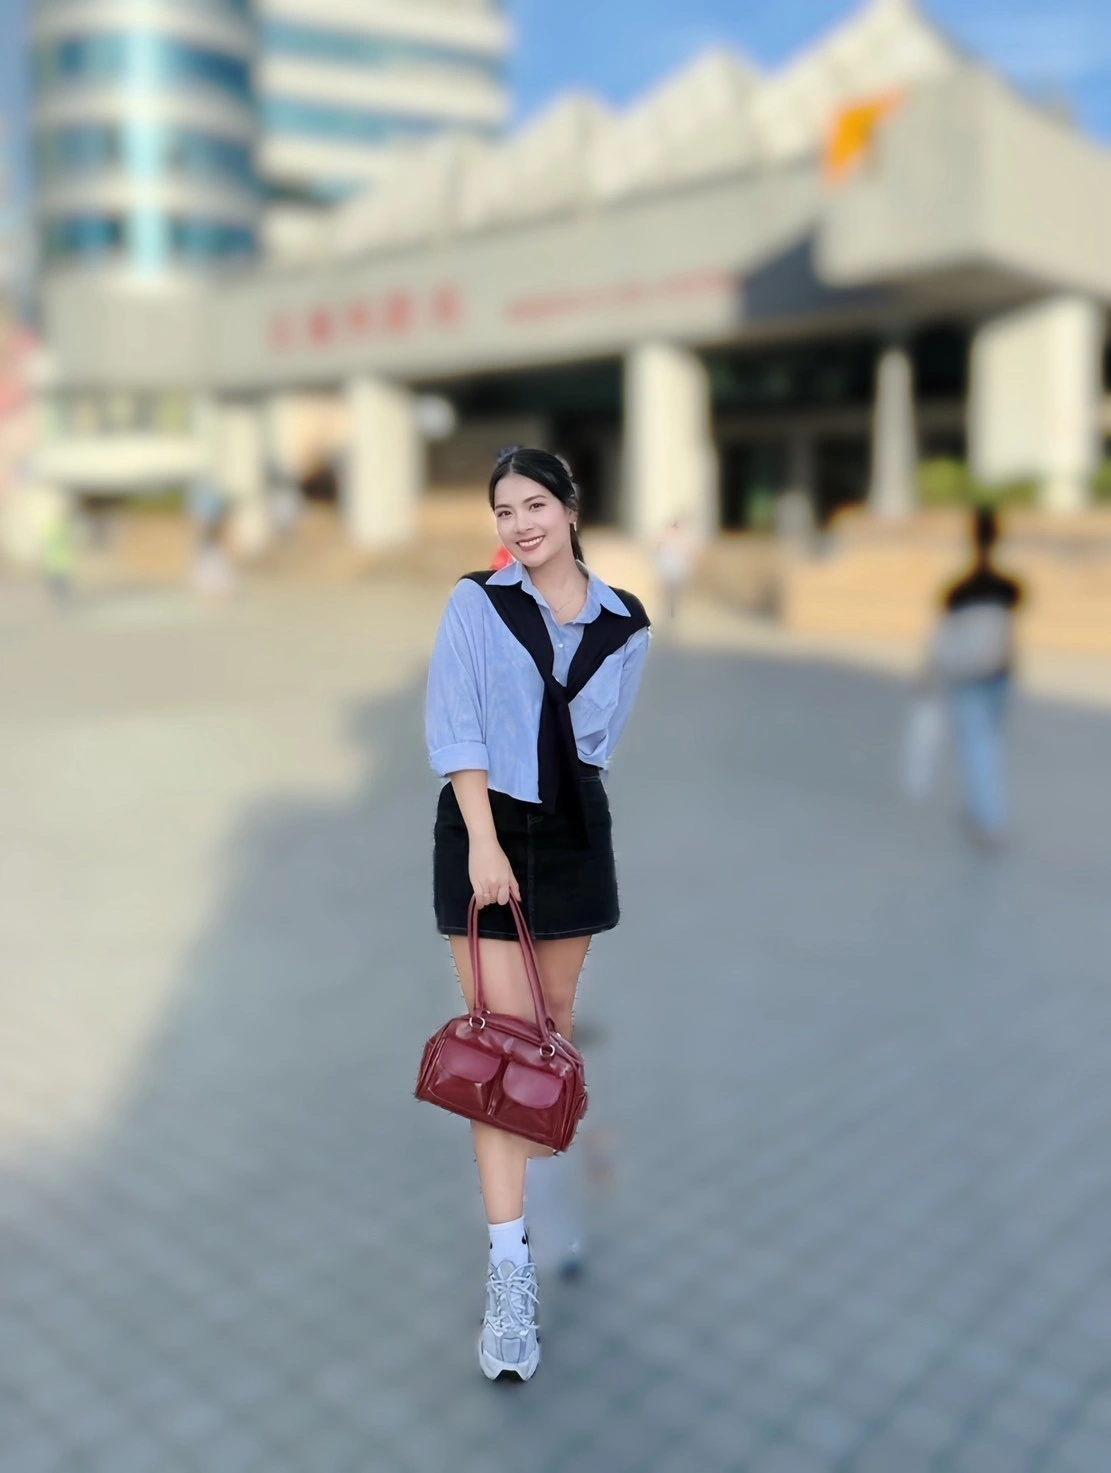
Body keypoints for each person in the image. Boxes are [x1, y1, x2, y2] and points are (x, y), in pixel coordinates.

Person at [425, 446, 650, 1382]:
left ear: (569, 506)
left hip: (571, 834)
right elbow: (456, 725)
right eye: (504, 510)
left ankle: (552, 1204)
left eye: (534, 505)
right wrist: (484, 842)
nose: (519, 523)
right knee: (501, 1048)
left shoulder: (624, 623)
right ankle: (509, 1276)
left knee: (551, 1034)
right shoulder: (476, 602)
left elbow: (596, 741)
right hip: (482, 827)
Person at [934, 505, 1023, 844]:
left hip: (968, 676)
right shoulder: (1008, 588)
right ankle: (982, 809)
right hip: (1000, 675)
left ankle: (989, 818)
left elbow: (944, 634)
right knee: (988, 743)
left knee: (977, 746)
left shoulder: (958, 591)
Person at [654, 516, 695, 624]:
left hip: (674, 564)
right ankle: (669, 609)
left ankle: (670, 609)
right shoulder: (670, 536)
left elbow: (686, 552)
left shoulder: (675, 536)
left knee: (671, 589)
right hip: (670, 564)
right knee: (669, 589)